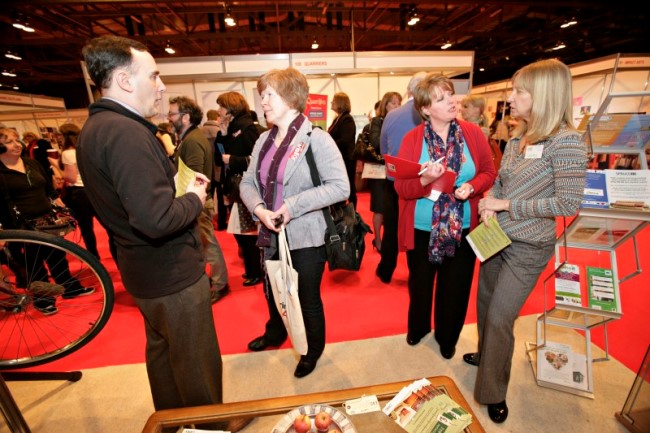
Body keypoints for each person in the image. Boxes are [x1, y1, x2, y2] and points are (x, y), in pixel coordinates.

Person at [76, 35, 250, 432]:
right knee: (196, 359)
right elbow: (155, 219)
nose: (161, 86)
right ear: (123, 80)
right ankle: (211, 427)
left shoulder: (99, 128)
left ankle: (173, 424)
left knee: (163, 354)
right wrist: (194, 196)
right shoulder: (125, 133)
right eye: (153, 76)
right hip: (169, 271)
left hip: (144, 270)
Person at [463, 59, 587, 424]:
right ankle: (488, 357)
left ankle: (492, 390)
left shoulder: (567, 143)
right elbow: (501, 179)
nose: (510, 99)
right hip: (496, 236)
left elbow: (567, 203)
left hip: (529, 246)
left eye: (519, 91)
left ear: (543, 95)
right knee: (486, 306)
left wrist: (507, 204)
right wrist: (490, 204)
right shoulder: (519, 137)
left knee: (501, 316)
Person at [240, 67, 349, 378]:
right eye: (261, 97)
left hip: (306, 235)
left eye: (268, 95)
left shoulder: (318, 138)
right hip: (269, 230)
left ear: (290, 97)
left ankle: (311, 350)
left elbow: (340, 186)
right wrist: (260, 210)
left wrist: (291, 206)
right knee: (273, 289)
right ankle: (276, 333)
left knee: (305, 296)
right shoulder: (263, 139)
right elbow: (248, 182)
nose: (263, 103)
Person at [393, 74, 497, 360]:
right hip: (422, 228)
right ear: (425, 109)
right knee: (420, 285)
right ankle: (418, 328)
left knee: (456, 288)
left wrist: (472, 186)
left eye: (451, 94)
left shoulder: (473, 134)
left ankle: (447, 337)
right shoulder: (412, 140)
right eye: (442, 98)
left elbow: (489, 171)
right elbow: (401, 187)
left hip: (462, 228)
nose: (452, 101)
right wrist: (425, 179)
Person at [0, 128, 94, 316]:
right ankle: (43, 300)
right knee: (34, 266)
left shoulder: (31, 163)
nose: (17, 144)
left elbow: (49, 191)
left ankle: (69, 288)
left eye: (16, 140)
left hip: (48, 221)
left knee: (57, 257)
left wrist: (61, 207)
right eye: (9, 141)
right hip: (20, 228)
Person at [167, 95, 230, 303]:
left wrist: (188, 204)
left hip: (197, 202)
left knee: (208, 244)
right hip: (195, 201)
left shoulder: (193, 140)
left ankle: (220, 284)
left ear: (185, 118)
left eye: (172, 113)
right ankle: (216, 281)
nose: (169, 117)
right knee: (204, 244)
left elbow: (194, 177)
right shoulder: (191, 138)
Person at [376, 71, 427, 284]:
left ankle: (386, 270)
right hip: (422, 183)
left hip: (393, 181)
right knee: (418, 228)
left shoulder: (392, 115)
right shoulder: (429, 115)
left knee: (392, 228)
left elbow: (383, 147)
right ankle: (418, 273)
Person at [217, 91, 263, 287]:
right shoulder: (233, 126)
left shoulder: (246, 127)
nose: (218, 110)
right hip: (236, 186)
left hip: (246, 185)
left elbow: (256, 159)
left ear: (230, 108)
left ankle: (256, 271)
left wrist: (232, 159)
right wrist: (225, 133)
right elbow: (220, 153)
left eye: (221, 106)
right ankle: (252, 269)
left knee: (247, 233)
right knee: (241, 232)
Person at [58, 122, 118, 263]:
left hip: (79, 194)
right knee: (109, 227)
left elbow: (71, 177)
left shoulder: (68, 153)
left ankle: (94, 260)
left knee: (87, 229)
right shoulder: (85, 149)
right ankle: (117, 257)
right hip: (95, 191)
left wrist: (55, 166)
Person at [367, 91, 402, 252]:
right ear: (385, 104)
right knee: (379, 208)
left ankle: (390, 241)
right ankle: (378, 240)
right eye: (393, 103)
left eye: (398, 103)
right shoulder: (377, 121)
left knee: (393, 210)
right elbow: (376, 142)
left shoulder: (400, 120)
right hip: (380, 171)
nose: (397, 106)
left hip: (396, 171)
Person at [328, 92, 357, 208]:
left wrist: (329, 144)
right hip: (340, 159)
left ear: (340, 102)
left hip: (346, 160)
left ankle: (352, 213)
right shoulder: (339, 118)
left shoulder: (347, 119)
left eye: (333, 100)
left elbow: (345, 140)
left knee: (349, 187)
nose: (331, 102)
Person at [201, 109, 228, 231]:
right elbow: (222, 152)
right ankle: (222, 223)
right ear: (217, 117)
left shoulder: (199, 132)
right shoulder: (219, 131)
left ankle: (206, 223)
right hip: (218, 168)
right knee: (221, 197)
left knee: (205, 195)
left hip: (205, 169)